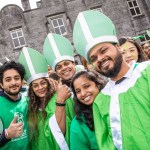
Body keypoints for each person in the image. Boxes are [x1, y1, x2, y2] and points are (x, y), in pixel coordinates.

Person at [73, 10, 150, 150]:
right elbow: (106, 145)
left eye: (103, 51)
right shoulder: (101, 100)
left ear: (117, 47)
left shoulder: (147, 72)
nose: (100, 59)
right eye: (94, 58)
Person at [19, 47, 74, 150]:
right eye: (35, 85)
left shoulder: (61, 97)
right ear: (32, 89)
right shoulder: (31, 107)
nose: (40, 88)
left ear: (49, 83)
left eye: (43, 83)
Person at [70, 70, 106, 150]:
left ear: (98, 84)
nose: (83, 94)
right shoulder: (78, 123)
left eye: (86, 86)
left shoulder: (115, 105)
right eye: (78, 91)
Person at [0, 61, 28, 149]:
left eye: (16, 78)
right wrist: (6, 135)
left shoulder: (28, 101)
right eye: (8, 80)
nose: (13, 83)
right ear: (1, 84)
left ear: (22, 80)